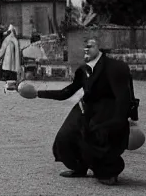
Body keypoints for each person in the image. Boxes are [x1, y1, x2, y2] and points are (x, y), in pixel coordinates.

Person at [30, 37, 132, 185]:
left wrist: (120, 120)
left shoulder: (115, 68)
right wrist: (38, 93)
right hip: (86, 107)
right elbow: (67, 92)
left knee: (98, 139)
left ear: (99, 48)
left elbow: (123, 98)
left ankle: (109, 172)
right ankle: (79, 167)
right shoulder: (83, 70)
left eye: (90, 47)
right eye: (84, 48)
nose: (86, 50)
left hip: (107, 110)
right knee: (65, 137)